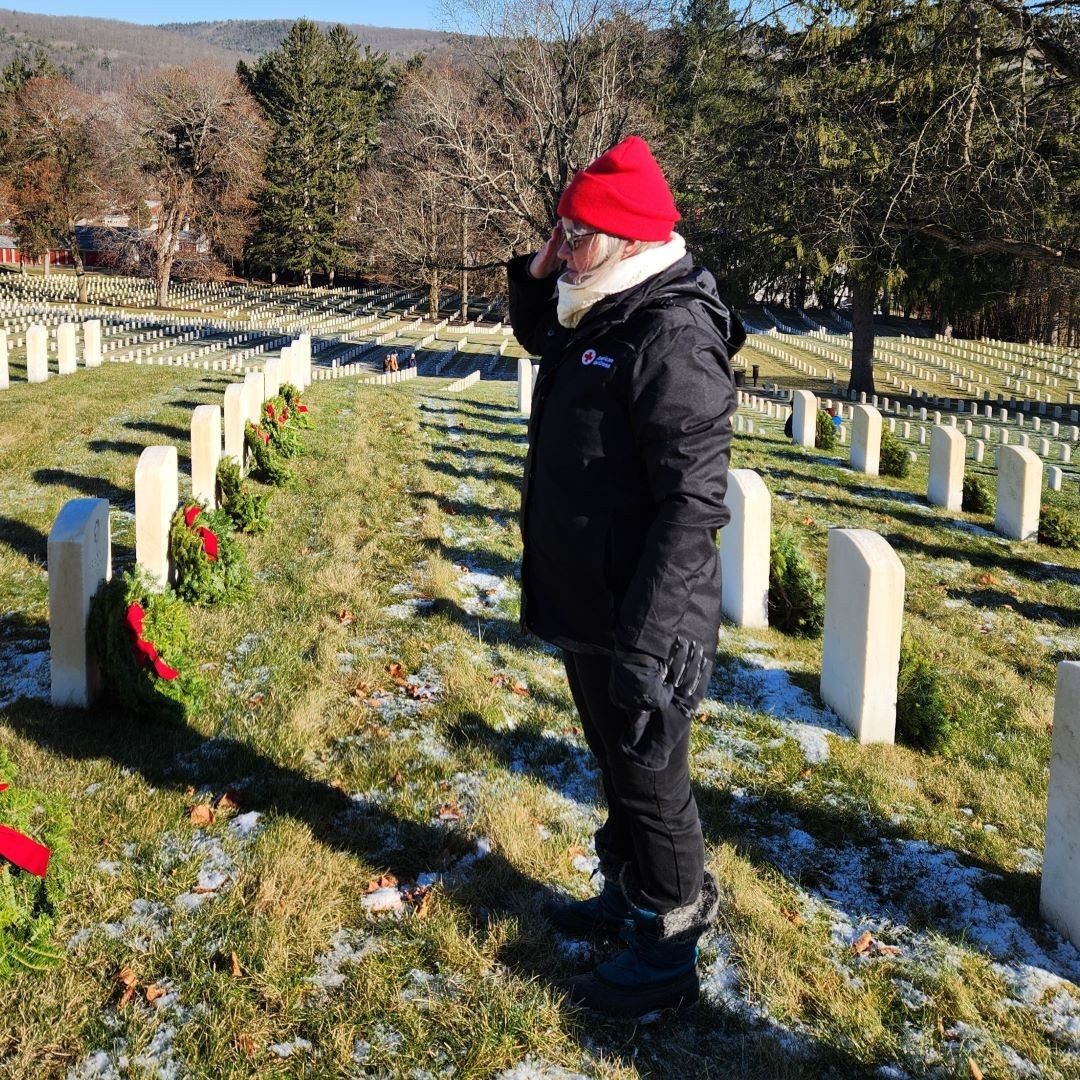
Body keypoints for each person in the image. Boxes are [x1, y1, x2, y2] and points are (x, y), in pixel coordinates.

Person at [507, 136, 745, 1017]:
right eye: (561, 228)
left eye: (576, 231)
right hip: (591, 594)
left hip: (645, 609)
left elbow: (692, 506)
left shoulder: (672, 333)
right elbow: (543, 331)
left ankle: (669, 952)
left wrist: (653, 641)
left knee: (653, 780)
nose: (561, 244)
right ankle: (631, 892)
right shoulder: (599, 307)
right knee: (614, 761)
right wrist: (542, 268)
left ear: (628, 238)